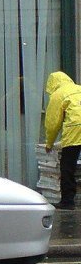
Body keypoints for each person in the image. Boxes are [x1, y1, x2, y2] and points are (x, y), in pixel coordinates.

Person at [44, 70, 81, 210]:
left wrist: (49, 143)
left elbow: (53, 123)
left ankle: (67, 202)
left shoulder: (57, 95)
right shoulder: (79, 88)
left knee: (67, 166)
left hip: (75, 129)